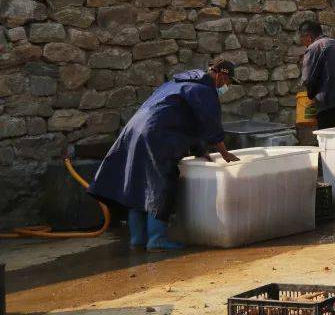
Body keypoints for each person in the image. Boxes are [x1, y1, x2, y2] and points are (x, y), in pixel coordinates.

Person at [88, 58, 240, 251]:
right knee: (162, 182)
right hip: (157, 135)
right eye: (228, 83)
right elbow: (210, 125)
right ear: (221, 75)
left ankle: (138, 239)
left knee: (138, 182)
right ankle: (156, 239)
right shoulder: (204, 90)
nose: (226, 87)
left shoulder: (176, 84)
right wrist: (225, 154)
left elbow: (188, 123)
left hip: (134, 132)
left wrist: (201, 152)